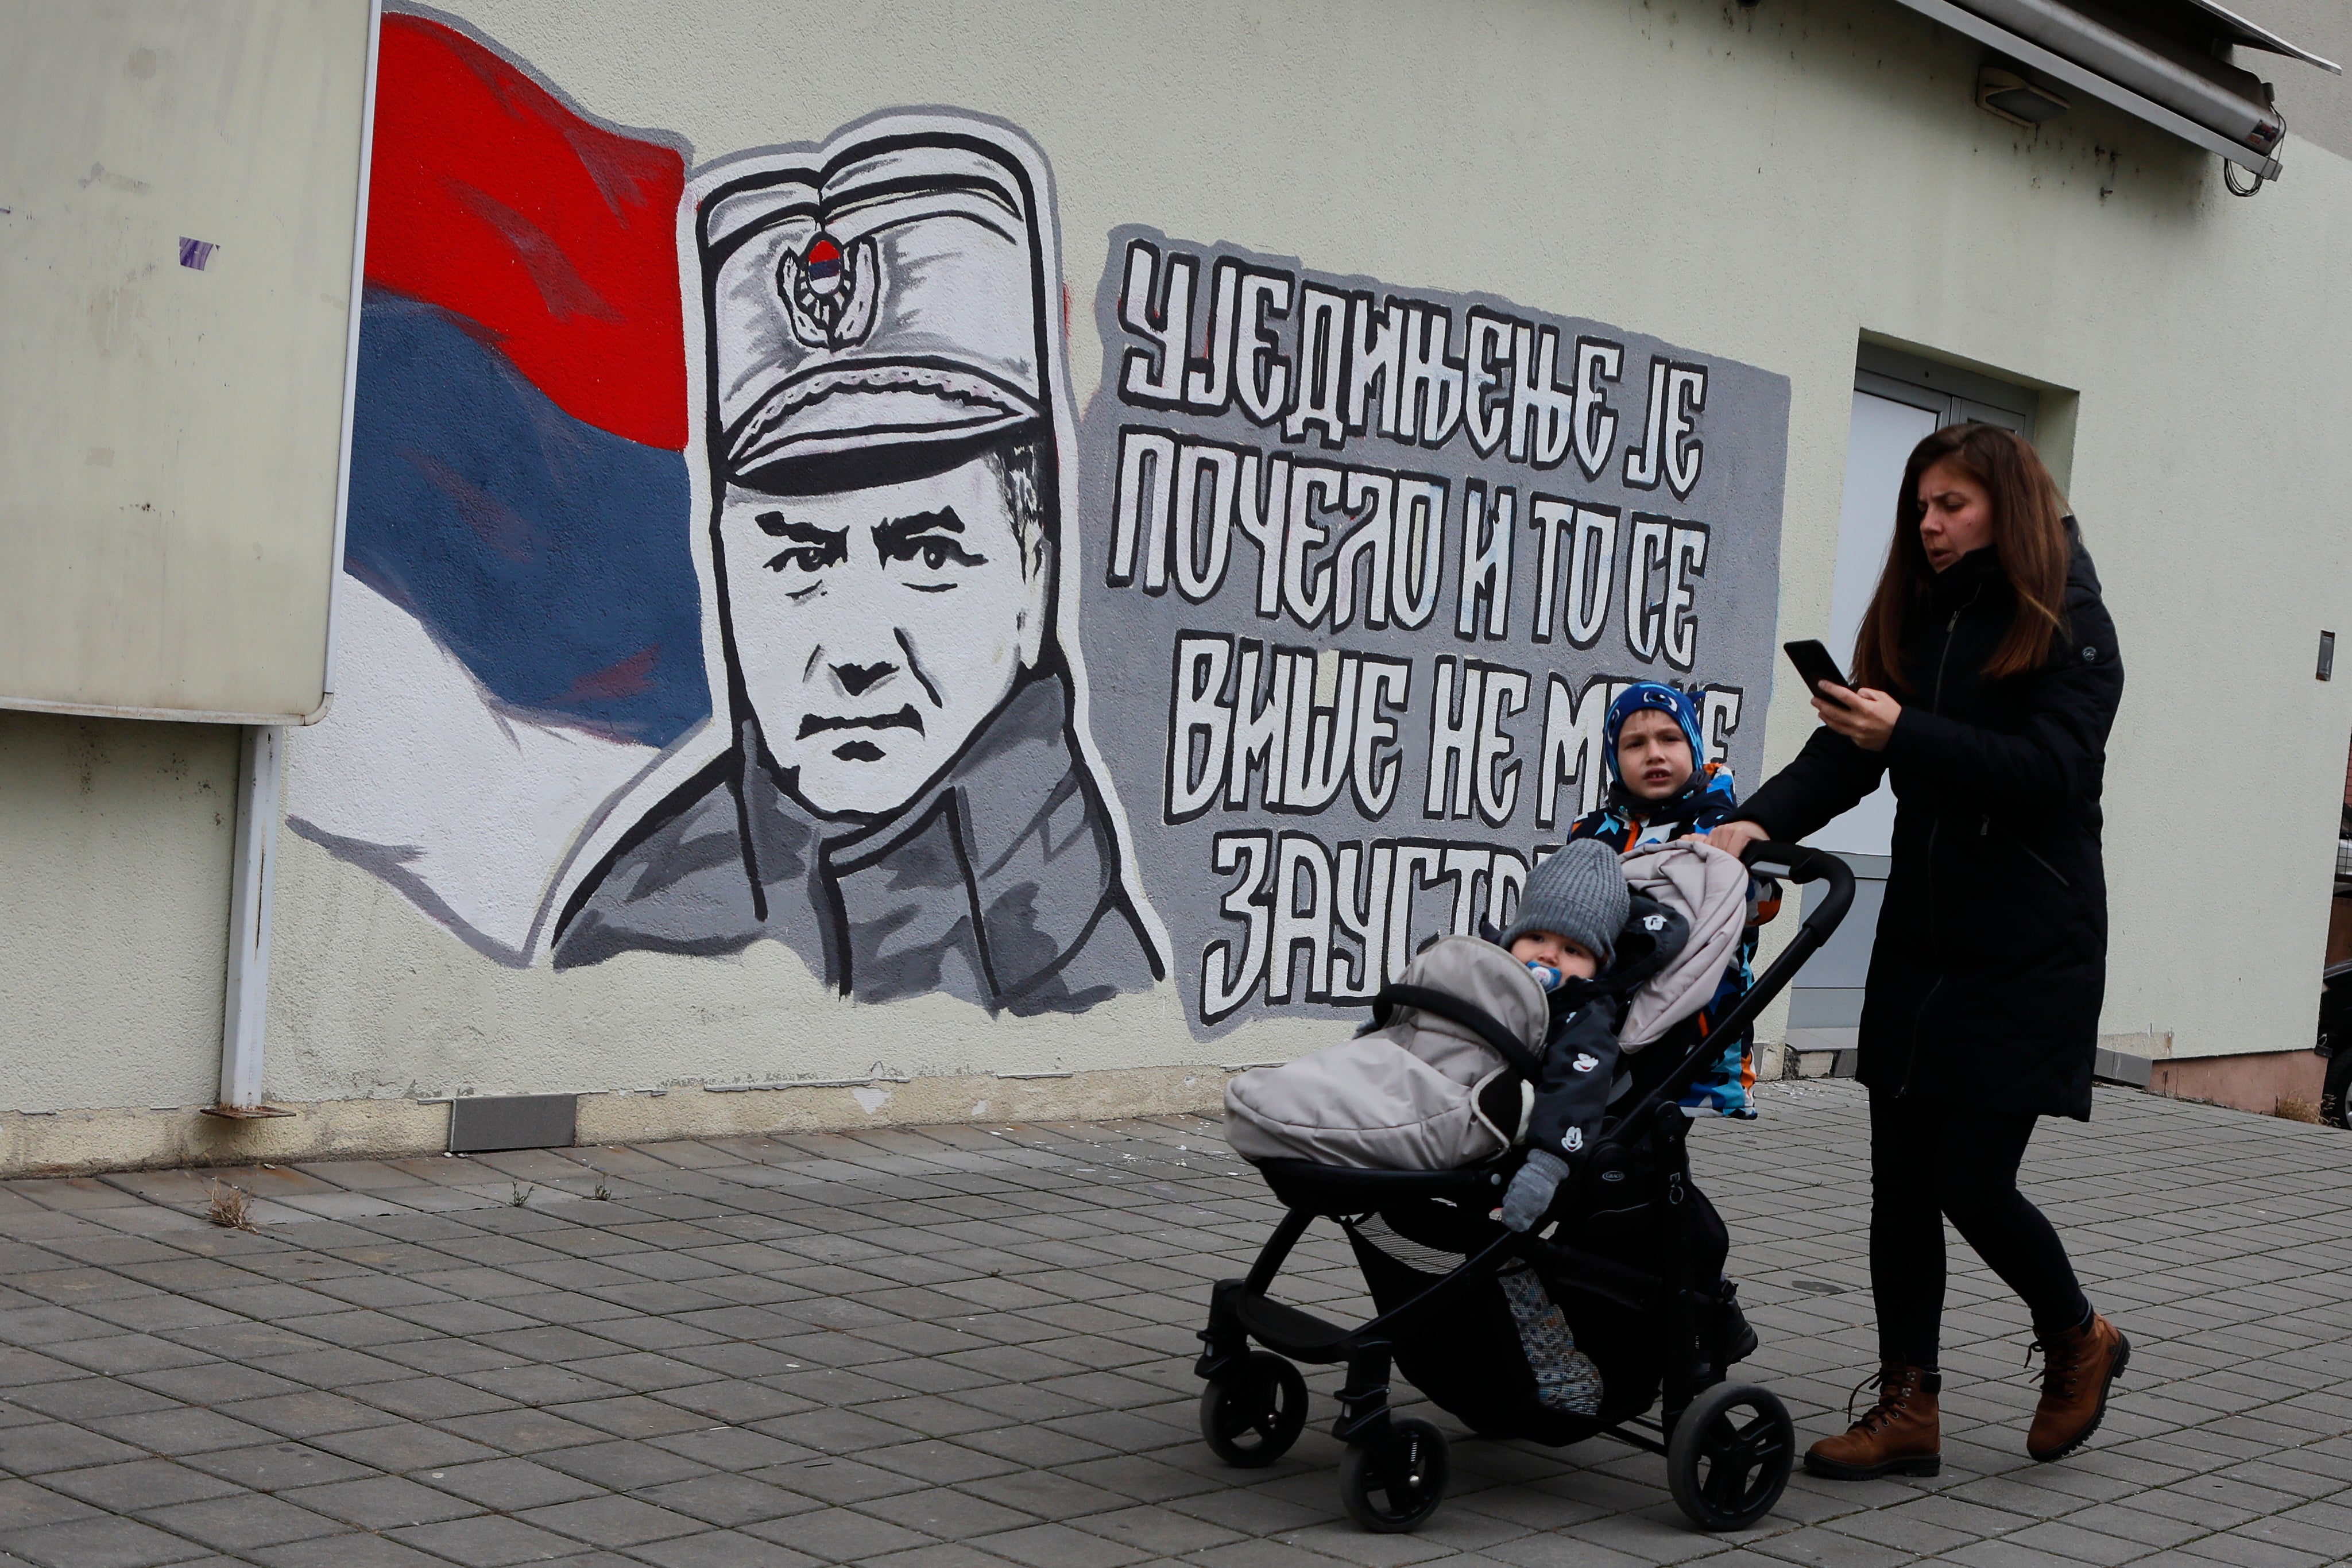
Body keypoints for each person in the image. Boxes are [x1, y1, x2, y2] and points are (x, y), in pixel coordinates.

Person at [554, 121, 1162, 1013]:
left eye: (926, 552)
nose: (857, 647)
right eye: (802, 556)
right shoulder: (639, 920)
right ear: (726, 578)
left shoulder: (1097, 967)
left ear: (1035, 574)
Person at [1708, 423, 2127, 1476]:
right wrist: (1748, 827)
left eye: (1952, 506)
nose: (1931, 527)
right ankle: (1908, 1406)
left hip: (2031, 941)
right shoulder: (1914, 615)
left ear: (2009, 506)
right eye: (1921, 509)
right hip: (1923, 938)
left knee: (1972, 1179)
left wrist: (1908, 736)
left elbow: (2052, 773)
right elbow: (1842, 756)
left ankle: (2079, 1333)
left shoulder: (2068, 620)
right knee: (1899, 1182)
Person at [1569, 683, 1780, 1118]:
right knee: (1616, 1135)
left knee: (1652, 1137)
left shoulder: (1724, 825)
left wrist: (1730, 866)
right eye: (1635, 743)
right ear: (1613, 757)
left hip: (1696, 1022)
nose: (1654, 753)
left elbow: (1765, 907)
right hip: (1607, 1012)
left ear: (1694, 745)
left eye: (1670, 739)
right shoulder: (1589, 832)